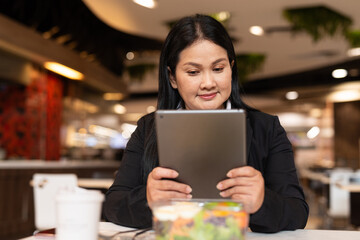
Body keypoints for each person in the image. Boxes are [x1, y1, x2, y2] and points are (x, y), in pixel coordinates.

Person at [104, 14, 309, 233]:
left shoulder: (266, 129)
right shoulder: (148, 129)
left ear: (231, 68)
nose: (208, 83)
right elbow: (113, 204)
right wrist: (147, 199)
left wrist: (261, 202)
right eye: (193, 72)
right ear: (172, 78)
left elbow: (297, 212)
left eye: (218, 69)